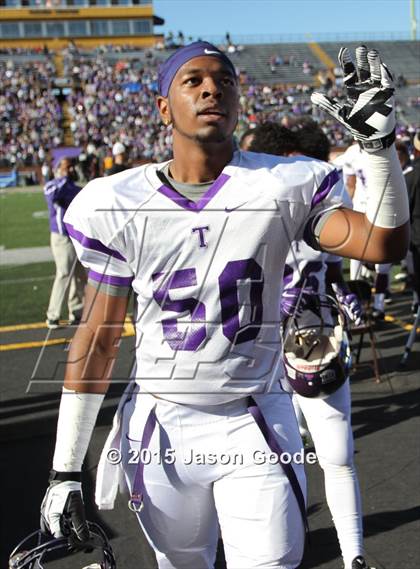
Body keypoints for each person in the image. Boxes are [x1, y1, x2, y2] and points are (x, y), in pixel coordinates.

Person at [39, 42, 408, 569]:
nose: (211, 87)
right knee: (181, 562)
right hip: (160, 423)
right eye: (193, 80)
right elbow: (97, 337)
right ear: (164, 107)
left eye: (224, 80)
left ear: (239, 102)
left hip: (253, 414)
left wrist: (379, 148)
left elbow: (383, 245)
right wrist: (64, 470)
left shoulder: (283, 183)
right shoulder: (113, 201)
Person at [250, 120, 368, 569]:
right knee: (325, 457)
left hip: (271, 341)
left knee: (294, 458)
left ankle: (338, 553)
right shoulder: (327, 190)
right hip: (294, 335)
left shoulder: (256, 195)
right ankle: (348, 553)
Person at [43, 157, 86, 329]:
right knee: (64, 273)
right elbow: (52, 195)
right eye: (67, 167)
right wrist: (64, 177)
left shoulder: (73, 188)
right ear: (58, 169)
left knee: (79, 275)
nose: (70, 170)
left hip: (75, 236)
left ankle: (76, 312)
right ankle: (52, 315)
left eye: (71, 168)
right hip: (61, 237)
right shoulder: (53, 185)